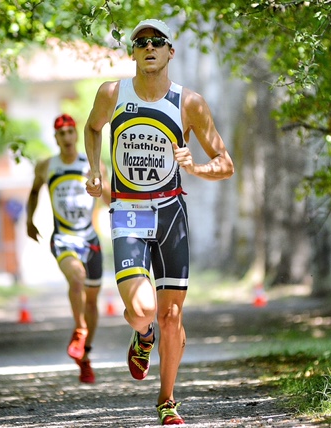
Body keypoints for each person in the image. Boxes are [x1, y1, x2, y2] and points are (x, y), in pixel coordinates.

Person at [84, 19, 234, 425]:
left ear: (170, 51)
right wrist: (96, 171)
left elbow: (226, 164)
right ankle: (142, 335)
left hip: (171, 213)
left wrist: (196, 167)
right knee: (142, 311)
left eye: (157, 42)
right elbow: (92, 128)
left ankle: (166, 401)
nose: (148, 47)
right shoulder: (112, 94)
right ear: (133, 53)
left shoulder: (190, 103)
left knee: (172, 318)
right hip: (128, 211)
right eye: (140, 42)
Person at [27, 113, 110, 384]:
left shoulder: (93, 163)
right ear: (56, 138)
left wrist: (98, 181)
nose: (67, 138)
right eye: (61, 134)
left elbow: (111, 199)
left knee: (93, 302)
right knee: (76, 278)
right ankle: (79, 329)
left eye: (71, 132)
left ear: (76, 135)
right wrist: (29, 219)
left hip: (89, 239)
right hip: (62, 238)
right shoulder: (46, 166)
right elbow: (34, 191)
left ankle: (84, 355)